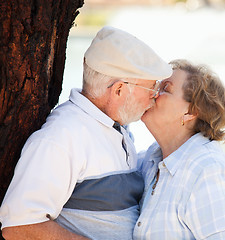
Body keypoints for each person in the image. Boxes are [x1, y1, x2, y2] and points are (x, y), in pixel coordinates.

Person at [0, 26, 172, 240]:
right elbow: (19, 227)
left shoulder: (116, 127)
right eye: (150, 90)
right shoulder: (62, 137)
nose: (154, 97)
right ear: (119, 90)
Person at [134, 59, 225, 239]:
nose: (153, 93)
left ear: (191, 112)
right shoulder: (151, 159)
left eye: (165, 89)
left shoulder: (210, 172)